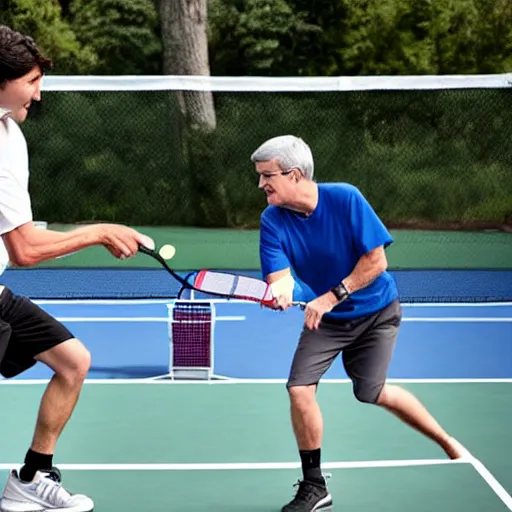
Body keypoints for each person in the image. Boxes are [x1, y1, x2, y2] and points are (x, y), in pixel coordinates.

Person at [251, 135, 468, 512]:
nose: (261, 184)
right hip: (329, 321)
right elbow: (280, 276)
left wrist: (331, 296)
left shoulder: (346, 199)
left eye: (267, 175)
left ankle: (447, 441)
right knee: (299, 388)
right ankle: (314, 486)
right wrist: (280, 291)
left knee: (372, 392)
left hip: (377, 313)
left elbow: (376, 261)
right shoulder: (272, 219)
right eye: (259, 176)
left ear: (296, 175)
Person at [0, 25, 155, 512]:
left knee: (72, 361)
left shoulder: (10, 135)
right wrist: (100, 231)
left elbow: (19, 238)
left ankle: (30, 477)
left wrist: (100, 230)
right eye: (32, 80)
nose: (39, 93)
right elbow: (25, 249)